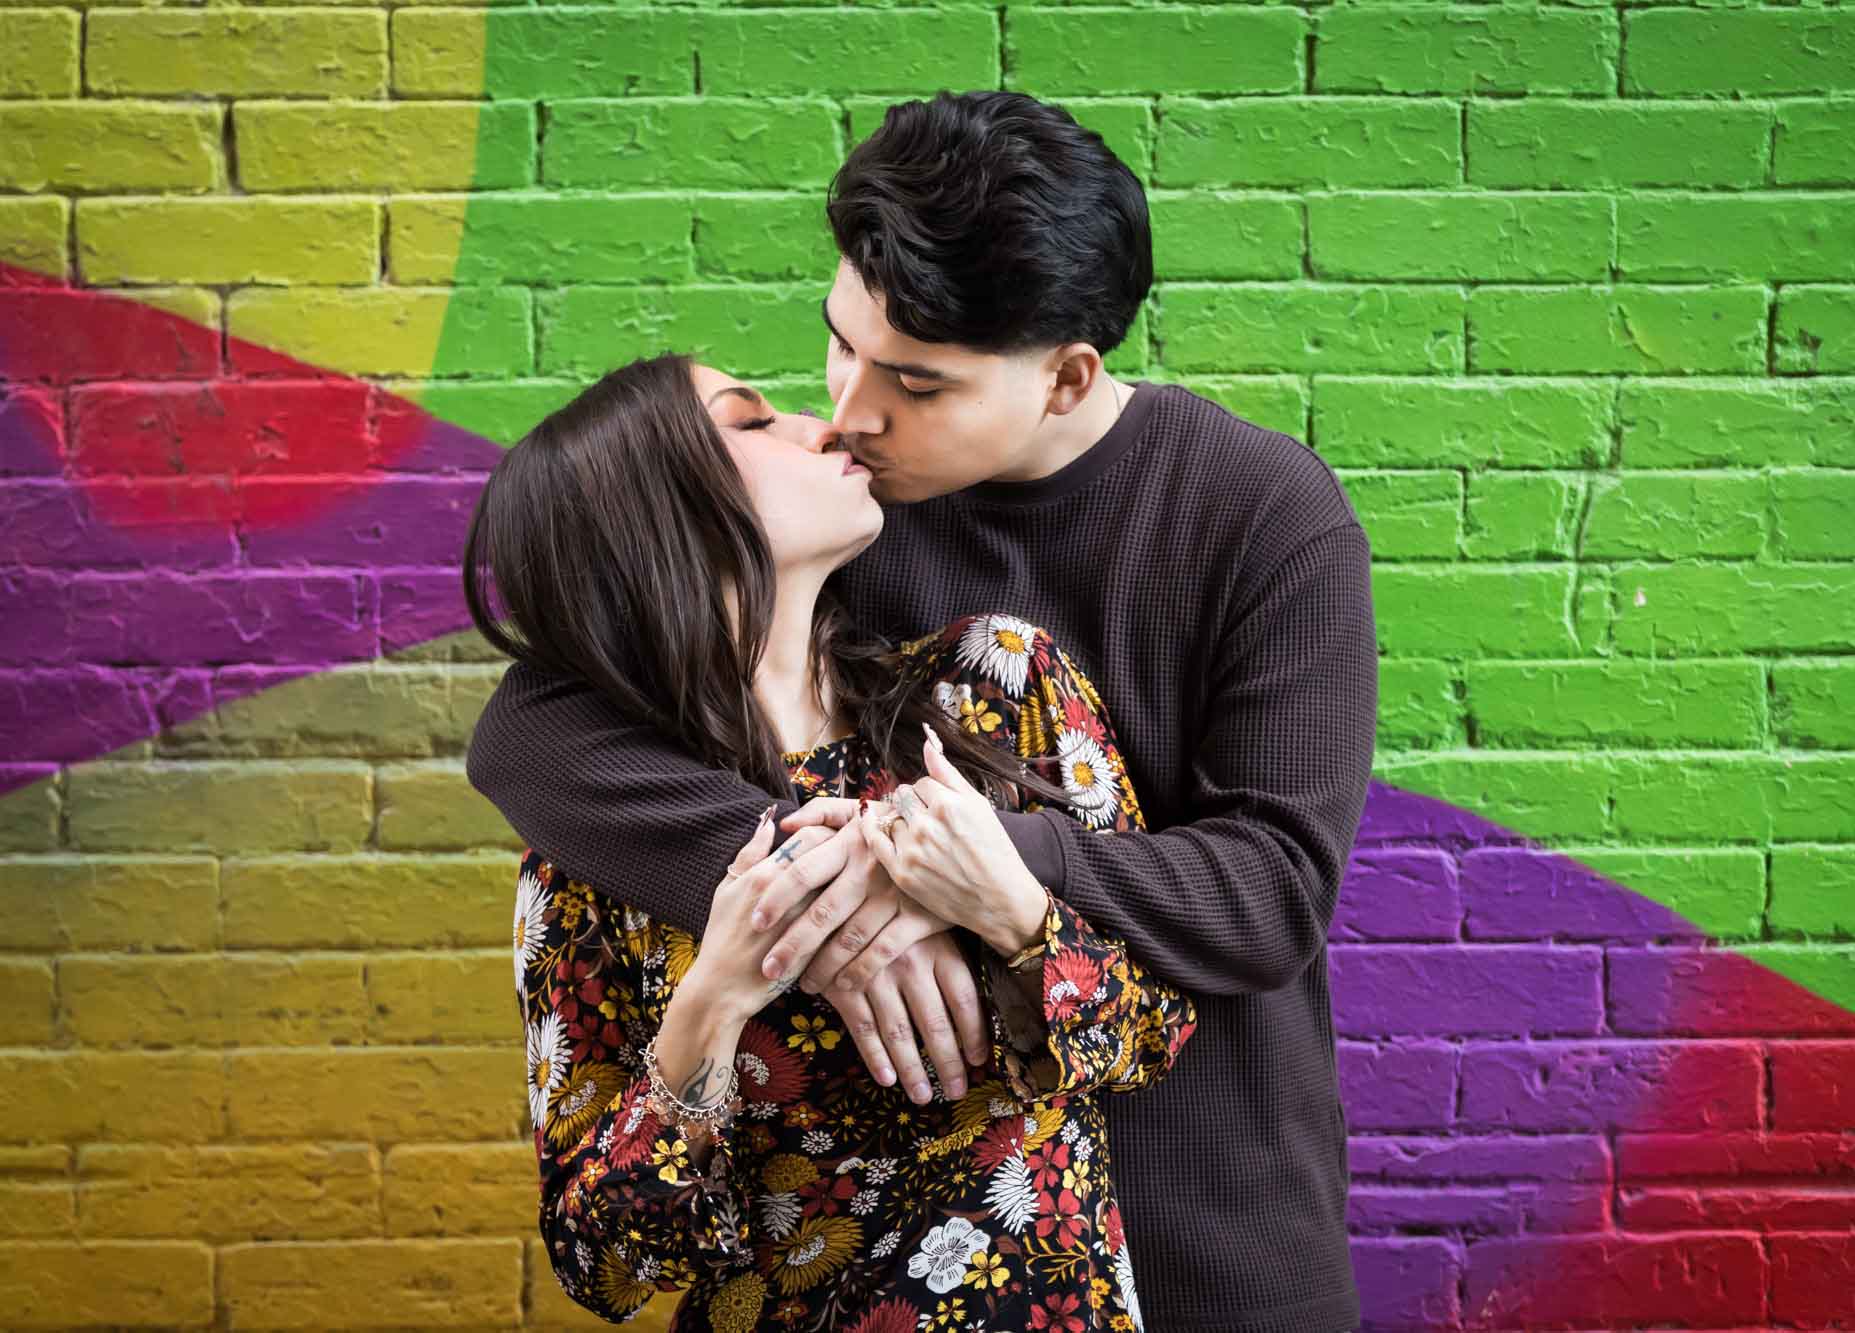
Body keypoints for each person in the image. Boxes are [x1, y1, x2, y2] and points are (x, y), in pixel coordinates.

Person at [469, 91, 1377, 1332]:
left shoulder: (1253, 518)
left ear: (1065, 378)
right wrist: (828, 894)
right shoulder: (840, 515)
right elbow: (531, 724)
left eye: (913, 382)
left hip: (1208, 1225)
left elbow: (1269, 890)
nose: (849, 411)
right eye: (840, 343)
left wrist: (972, 873)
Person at [467, 352, 1197, 1329]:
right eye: (751, 419)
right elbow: (600, 1265)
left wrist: (1011, 912)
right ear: (660, 513)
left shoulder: (993, 685)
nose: (821, 423)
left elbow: (1155, 1027)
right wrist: (711, 1004)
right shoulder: (596, 849)